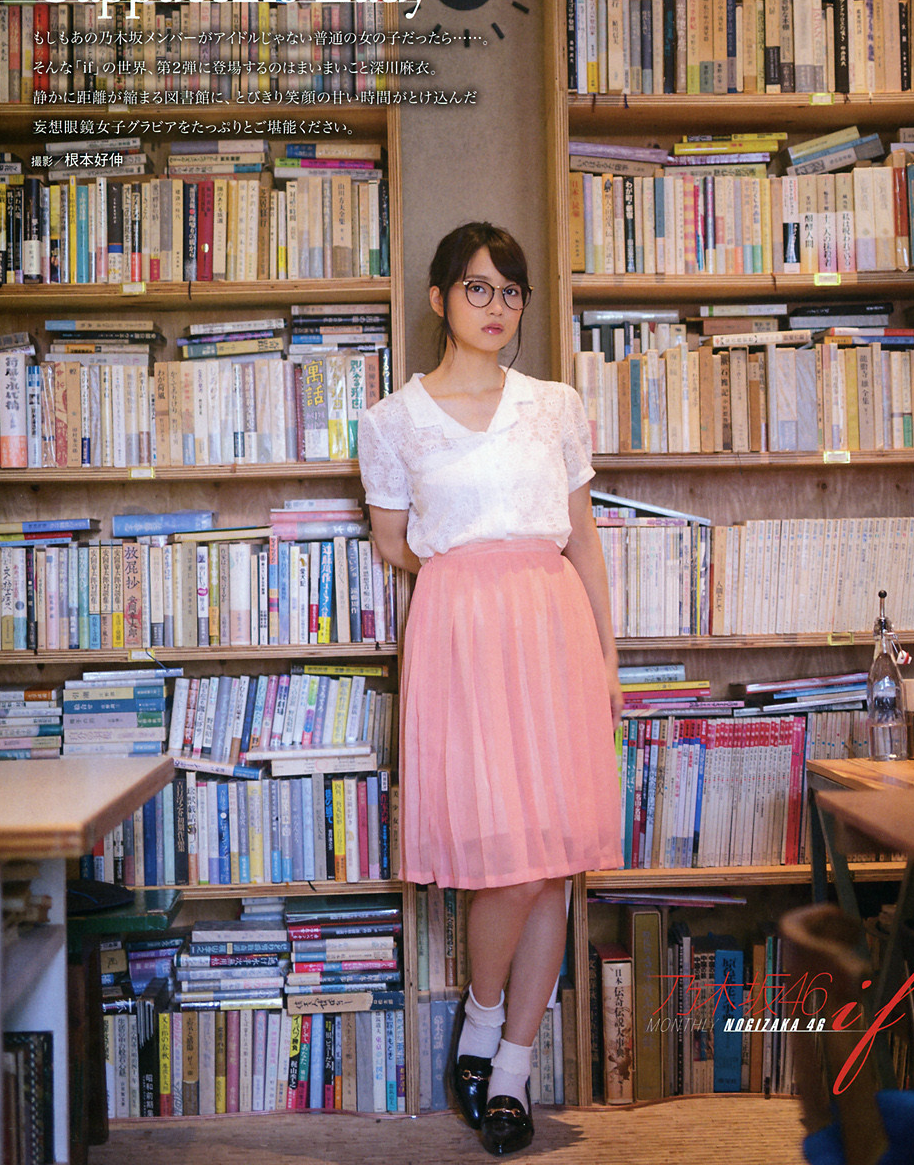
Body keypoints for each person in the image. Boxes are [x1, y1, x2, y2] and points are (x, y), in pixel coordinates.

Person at [357, 222, 623, 1156]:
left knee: (551, 860)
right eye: (477, 288)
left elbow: (582, 539)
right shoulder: (391, 421)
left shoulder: (554, 406)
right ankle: (480, 1011)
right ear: (439, 299)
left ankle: (509, 1066)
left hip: (554, 630)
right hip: (462, 639)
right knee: (505, 860)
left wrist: (606, 658)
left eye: (510, 291)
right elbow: (394, 542)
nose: (496, 306)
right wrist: (469, 582)